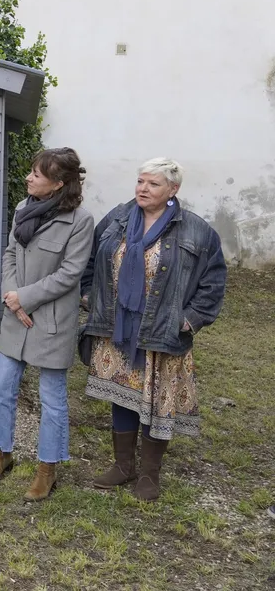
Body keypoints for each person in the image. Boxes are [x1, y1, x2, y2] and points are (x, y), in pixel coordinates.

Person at [82, 158, 226, 502]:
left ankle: (149, 475)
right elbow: (89, 258)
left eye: (153, 184)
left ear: (173, 190)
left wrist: (188, 319)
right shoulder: (118, 218)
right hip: (117, 328)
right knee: (122, 393)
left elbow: (214, 280)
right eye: (140, 181)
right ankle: (122, 466)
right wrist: (90, 295)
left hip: (161, 332)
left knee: (155, 401)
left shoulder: (195, 230)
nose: (143, 189)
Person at [0, 148, 94, 500]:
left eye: (37, 174)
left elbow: (71, 274)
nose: (28, 178)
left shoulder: (80, 220)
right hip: (16, 315)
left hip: (51, 322)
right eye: (30, 171)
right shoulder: (22, 208)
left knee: (52, 399)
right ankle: (2, 453)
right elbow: (10, 254)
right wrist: (10, 295)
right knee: (3, 389)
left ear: (59, 184)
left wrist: (24, 298)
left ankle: (48, 468)